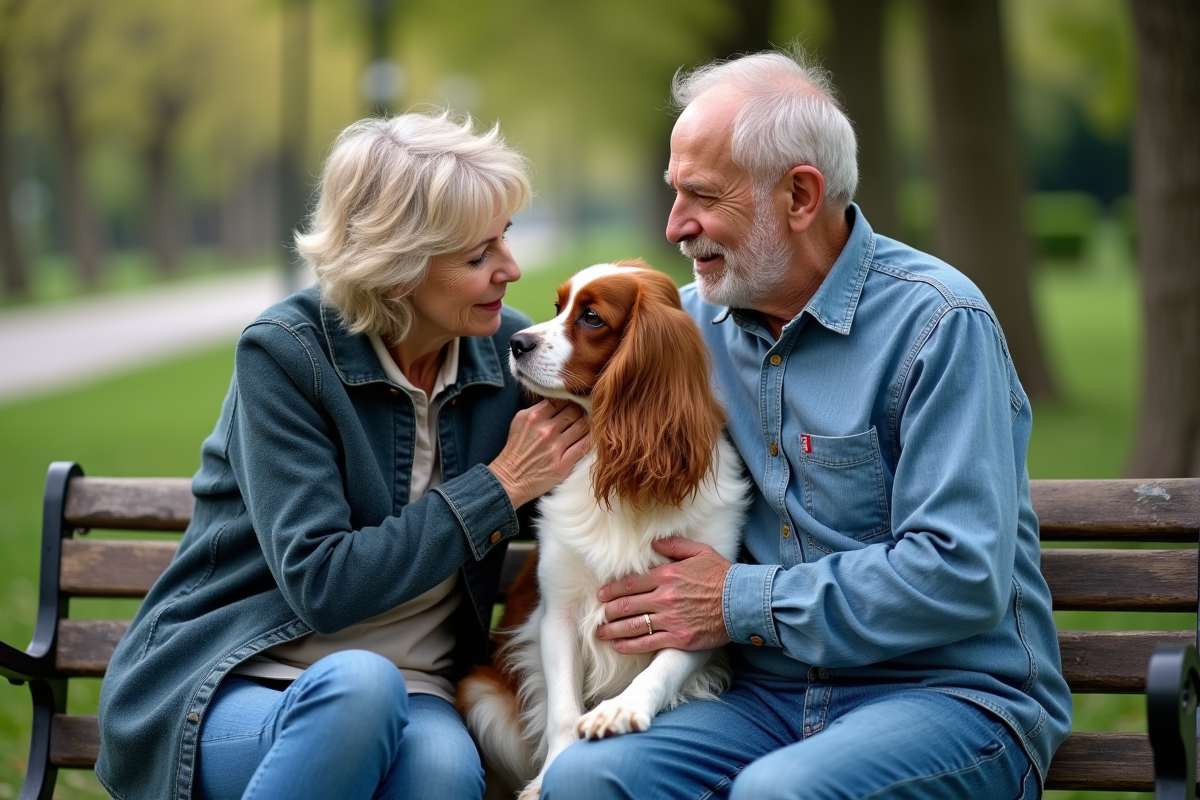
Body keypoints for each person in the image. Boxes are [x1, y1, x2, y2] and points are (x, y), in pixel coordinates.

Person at [539, 48, 1071, 800]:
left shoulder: (937, 324)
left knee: (779, 795)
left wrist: (737, 600)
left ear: (799, 195)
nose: (675, 226)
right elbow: (561, 356)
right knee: (588, 782)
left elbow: (961, 572)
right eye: (673, 193)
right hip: (762, 700)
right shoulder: (687, 331)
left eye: (702, 196)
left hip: (948, 696)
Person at [95, 111, 590, 800]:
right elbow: (323, 585)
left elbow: (587, 511)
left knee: (444, 774)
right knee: (361, 687)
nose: (510, 268)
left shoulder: (511, 353)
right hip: (242, 679)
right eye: (478, 256)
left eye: (503, 237)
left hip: (419, 690)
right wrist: (498, 486)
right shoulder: (287, 355)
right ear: (397, 274)